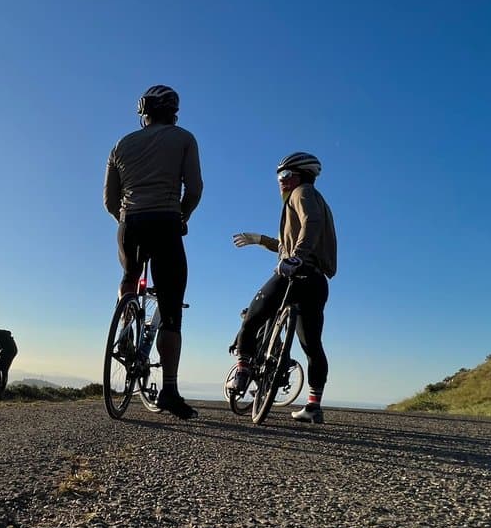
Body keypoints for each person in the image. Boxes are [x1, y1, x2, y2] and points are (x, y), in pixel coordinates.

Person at [104, 84, 204, 420]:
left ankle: (125, 324)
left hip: (130, 223)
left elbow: (109, 200)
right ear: (173, 112)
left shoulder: (121, 144)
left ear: (143, 112)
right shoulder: (184, 138)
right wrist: (182, 216)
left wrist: (126, 218)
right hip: (166, 223)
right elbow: (195, 188)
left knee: (130, 275)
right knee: (171, 310)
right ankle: (171, 391)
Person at [229, 151, 337, 424]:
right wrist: (259, 239)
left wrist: (296, 257)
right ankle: (313, 406)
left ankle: (242, 368)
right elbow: (288, 243)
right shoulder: (314, 200)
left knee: (253, 315)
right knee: (311, 344)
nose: (281, 181)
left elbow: (309, 226)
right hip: (315, 280)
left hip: (295, 273)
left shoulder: (303, 193)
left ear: (302, 176)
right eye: (280, 176)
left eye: (286, 175)